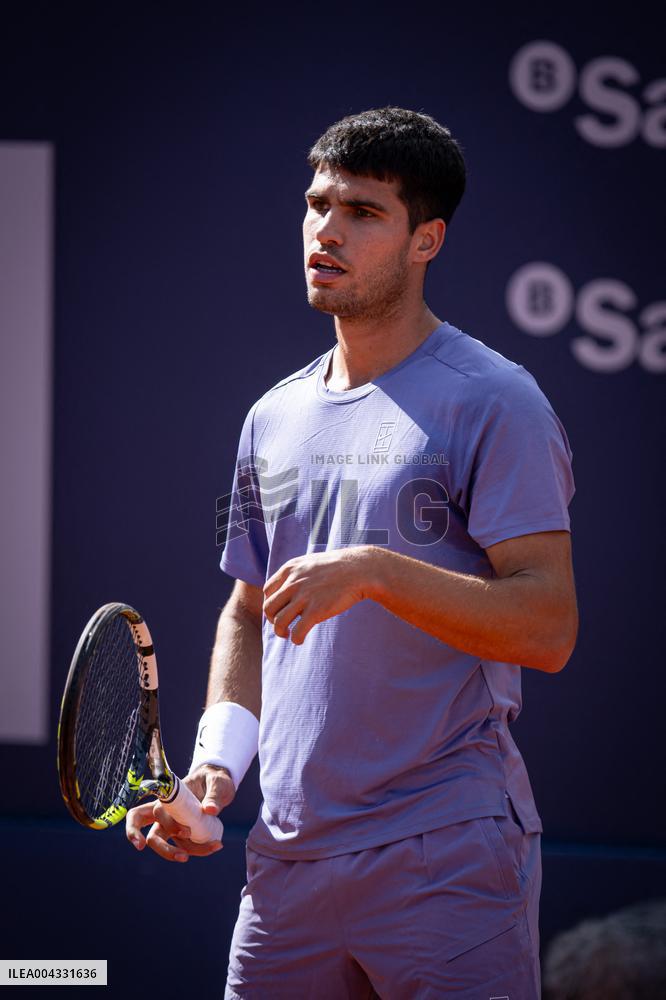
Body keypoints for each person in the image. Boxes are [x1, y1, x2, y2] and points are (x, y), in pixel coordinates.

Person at [127, 107, 578, 998]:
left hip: (445, 852)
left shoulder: (498, 400)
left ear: (426, 240)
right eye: (316, 203)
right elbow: (251, 609)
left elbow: (549, 625)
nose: (325, 229)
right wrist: (217, 768)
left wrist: (376, 570)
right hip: (285, 863)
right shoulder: (272, 415)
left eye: (363, 212)